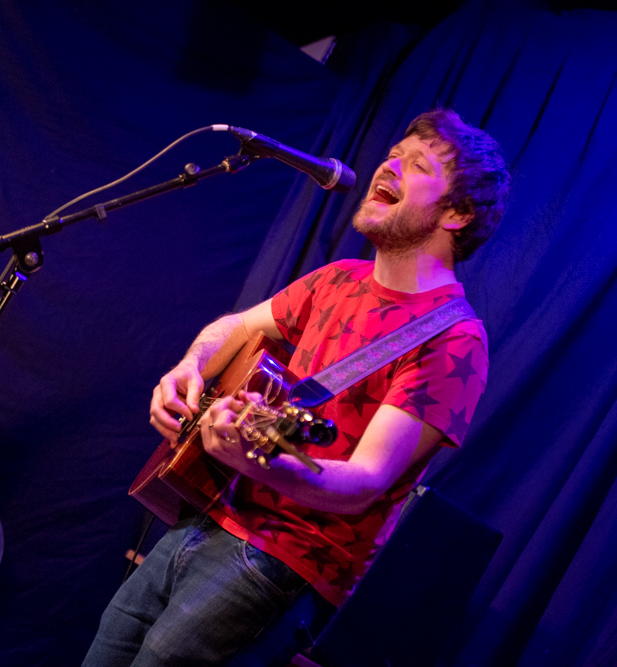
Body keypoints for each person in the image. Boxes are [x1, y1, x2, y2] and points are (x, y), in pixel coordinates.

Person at [82, 108, 511, 666]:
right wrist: (191, 368)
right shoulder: (339, 278)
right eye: (392, 154)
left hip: (280, 560)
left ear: (457, 213)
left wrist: (258, 462)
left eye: (417, 165)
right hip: (206, 517)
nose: (389, 166)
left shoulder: (453, 339)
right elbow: (237, 327)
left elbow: (364, 482)